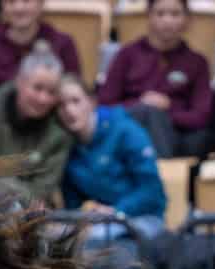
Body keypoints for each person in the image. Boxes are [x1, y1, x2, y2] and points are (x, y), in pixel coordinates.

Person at [57, 74, 167, 239]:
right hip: (101, 221)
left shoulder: (125, 130)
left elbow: (152, 190)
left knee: (95, 240)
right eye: (61, 105)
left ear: (92, 102)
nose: (69, 110)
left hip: (143, 218)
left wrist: (116, 211)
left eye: (75, 101)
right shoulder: (67, 146)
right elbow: (73, 204)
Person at [98, 0, 212, 158]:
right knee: (148, 113)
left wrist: (167, 110)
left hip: (175, 132)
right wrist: (141, 104)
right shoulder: (127, 55)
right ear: (149, 16)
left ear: (187, 19)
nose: (167, 20)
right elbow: (105, 105)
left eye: (175, 14)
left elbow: (201, 115)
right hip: (131, 126)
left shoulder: (197, 62)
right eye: (160, 13)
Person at [0, 50, 72, 205]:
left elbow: (41, 192)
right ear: (19, 81)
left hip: (26, 211)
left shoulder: (60, 131)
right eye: (37, 88)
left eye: (51, 92)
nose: (43, 99)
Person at [0, 0, 81, 101]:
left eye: (26, 1)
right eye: (11, 2)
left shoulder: (63, 44)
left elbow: (74, 94)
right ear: (2, 5)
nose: (19, 8)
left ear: (41, 4)